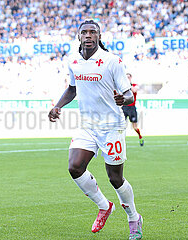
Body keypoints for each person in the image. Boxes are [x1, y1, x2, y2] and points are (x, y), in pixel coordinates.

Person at [48, 20, 143, 240]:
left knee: (115, 178)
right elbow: (72, 88)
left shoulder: (112, 62)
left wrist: (123, 98)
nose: (88, 35)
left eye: (93, 32)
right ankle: (104, 205)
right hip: (87, 125)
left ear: (99, 36)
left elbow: (128, 94)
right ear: (78, 36)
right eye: (84, 32)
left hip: (112, 126)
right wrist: (57, 106)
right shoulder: (73, 62)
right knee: (75, 167)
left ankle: (133, 218)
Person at [122, 73, 144, 146]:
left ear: (131, 78)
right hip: (124, 107)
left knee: (135, 127)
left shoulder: (134, 85)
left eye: (128, 77)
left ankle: (140, 137)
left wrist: (128, 84)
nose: (127, 78)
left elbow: (134, 91)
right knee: (122, 126)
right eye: (126, 77)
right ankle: (121, 141)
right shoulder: (122, 86)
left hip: (132, 108)